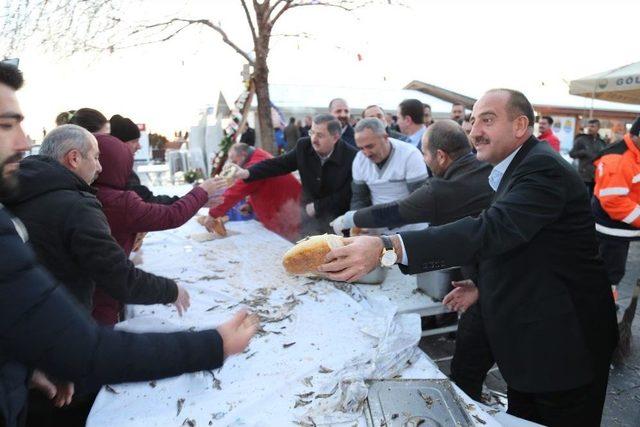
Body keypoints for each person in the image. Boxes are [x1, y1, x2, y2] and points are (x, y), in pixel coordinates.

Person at [320, 88, 618, 426]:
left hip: (565, 345)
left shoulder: (541, 169)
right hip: (532, 343)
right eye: (473, 120)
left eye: (487, 120)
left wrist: (387, 247)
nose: (474, 131)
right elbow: (522, 246)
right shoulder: (512, 168)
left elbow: (492, 230)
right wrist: (481, 285)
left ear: (520, 125)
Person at [0, 62, 258, 427]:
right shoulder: (76, 204)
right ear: (75, 158)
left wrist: (20, 369)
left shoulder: (27, 196)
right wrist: (212, 345)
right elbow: (88, 346)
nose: (23, 141)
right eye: (6, 125)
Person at [1, 125, 194, 320]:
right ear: (74, 158)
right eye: (95, 157)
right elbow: (118, 277)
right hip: (59, 325)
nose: (100, 168)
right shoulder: (77, 206)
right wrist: (171, 290)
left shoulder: (14, 190)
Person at [91, 133, 227, 325]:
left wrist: (199, 200)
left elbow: (154, 206)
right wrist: (202, 191)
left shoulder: (89, 194)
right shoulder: (117, 201)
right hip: (100, 303)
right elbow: (171, 215)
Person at [332, 119, 492, 236]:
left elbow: (400, 210)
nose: (424, 159)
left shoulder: (438, 190)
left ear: (441, 156)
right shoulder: (490, 169)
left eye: (425, 153)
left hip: (410, 229)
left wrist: (349, 219)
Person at [233, 114, 357, 236]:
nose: (313, 139)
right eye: (312, 133)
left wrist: (317, 207)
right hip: (308, 218)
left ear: (335, 137)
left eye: (320, 135)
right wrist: (248, 172)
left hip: (337, 221)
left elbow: (347, 194)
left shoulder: (352, 157)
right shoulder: (304, 146)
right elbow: (278, 164)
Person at [204, 143, 301, 241]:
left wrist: (213, 214)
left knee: (289, 243)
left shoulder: (254, 164)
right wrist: (250, 204)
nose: (234, 165)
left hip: (287, 208)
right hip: (286, 203)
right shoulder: (257, 155)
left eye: (235, 161)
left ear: (243, 154)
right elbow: (260, 185)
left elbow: (236, 190)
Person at [345, 118, 428, 233]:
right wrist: (356, 220)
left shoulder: (410, 155)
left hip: (412, 229)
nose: (366, 153)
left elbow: (418, 201)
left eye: (370, 146)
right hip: (377, 229)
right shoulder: (359, 159)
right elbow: (359, 197)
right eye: (361, 148)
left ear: (385, 137)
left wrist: (378, 219)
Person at [591, 116, 640, 307]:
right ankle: (601, 308)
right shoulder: (618, 160)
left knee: (610, 271)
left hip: (621, 228)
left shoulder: (634, 153)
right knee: (610, 272)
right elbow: (614, 202)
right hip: (611, 231)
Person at [109, 114, 180, 205]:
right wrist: (188, 201)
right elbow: (147, 201)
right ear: (119, 143)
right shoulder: (120, 172)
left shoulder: (118, 169)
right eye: (134, 141)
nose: (139, 146)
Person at [570, 118, 606, 197]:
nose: (590, 128)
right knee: (582, 198)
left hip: (597, 177)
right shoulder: (581, 140)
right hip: (583, 175)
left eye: (593, 126)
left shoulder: (602, 143)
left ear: (598, 128)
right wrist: (582, 152)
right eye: (589, 126)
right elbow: (572, 154)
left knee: (594, 200)